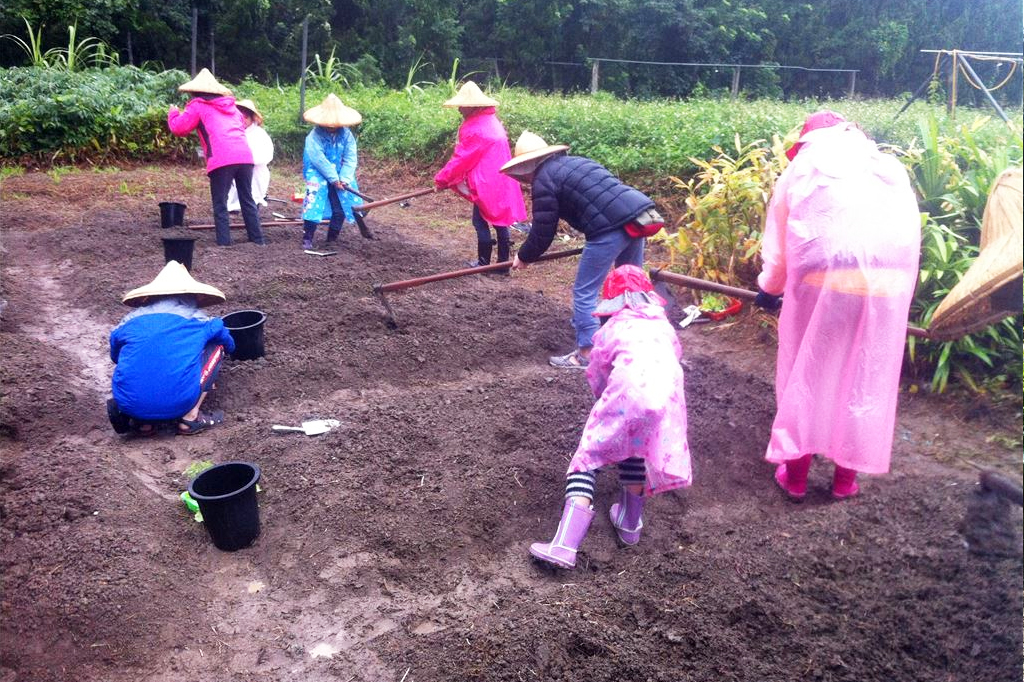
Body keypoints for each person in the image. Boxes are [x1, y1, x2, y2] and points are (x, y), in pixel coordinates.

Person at [755, 111, 921, 500]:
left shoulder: (803, 167)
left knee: (809, 369)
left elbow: (781, 247)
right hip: (887, 286)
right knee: (864, 374)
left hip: (822, 283)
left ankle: (795, 477)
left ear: (809, 138)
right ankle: (845, 481)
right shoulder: (887, 166)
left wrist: (769, 288)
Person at [529, 265, 692, 569]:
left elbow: (598, 374)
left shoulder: (610, 331)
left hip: (626, 396)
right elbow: (673, 360)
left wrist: (604, 400)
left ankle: (564, 545)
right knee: (635, 449)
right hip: (666, 404)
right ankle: (630, 525)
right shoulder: (664, 328)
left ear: (613, 301)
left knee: (587, 457)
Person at [501, 131, 664, 369]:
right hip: (636, 219)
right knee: (630, 285)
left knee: (584, 292)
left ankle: (586, 354)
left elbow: (543, 230)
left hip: (608, 229)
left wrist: (524, 256)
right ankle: (632, 342)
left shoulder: (544, 180)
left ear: (526, 166)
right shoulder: (579, 162)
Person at [108, 261, 235, 436]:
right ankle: (190, 417)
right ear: (190, 295)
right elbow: (226, 339)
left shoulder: (129, 321)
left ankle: (143, 424)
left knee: (136, 357)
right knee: (217, 347)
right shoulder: (197, 320)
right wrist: (230, 348)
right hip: (180, 402)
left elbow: (115, 356)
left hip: (131, 406)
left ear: (152, 296)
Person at [166, 68, 266, 247]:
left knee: (220, 204)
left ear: (195, 91)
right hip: (245, 157)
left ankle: (224, 244)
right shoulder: (233, 108)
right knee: (247, 199)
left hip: (221, 159)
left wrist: (173, 113)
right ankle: (258, 240)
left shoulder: (197, 105)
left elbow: (179, 128)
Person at [434, 81, 527, 268]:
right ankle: (502, 265)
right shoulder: (492, 122)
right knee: (501, 220)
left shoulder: (475, 128)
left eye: (462, 106)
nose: (459, 109)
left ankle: (484, 262)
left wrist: (441, 180)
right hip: (503, 179)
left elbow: (461, 159)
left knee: (479, 220)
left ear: (472, 106)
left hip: (487, 182)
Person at [300, 93, 364, 251]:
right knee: (314, 202)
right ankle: (307, 238)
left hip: (340, 171)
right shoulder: (313, 136)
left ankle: (332, 238)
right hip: (317, 171)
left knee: (342, 205)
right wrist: (334, 179)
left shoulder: (347, 135)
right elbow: (318, 159)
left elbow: (350, 157)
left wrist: (345, 178)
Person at [227, 99, 274, 212]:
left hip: (255, 172)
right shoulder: (232, 132)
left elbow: (267, 154)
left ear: (252, 118)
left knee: (252, 198)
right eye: (240, 116)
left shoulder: (259, 134)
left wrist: (248, 160)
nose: (243, 120)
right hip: (235, 170)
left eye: (245, 117)